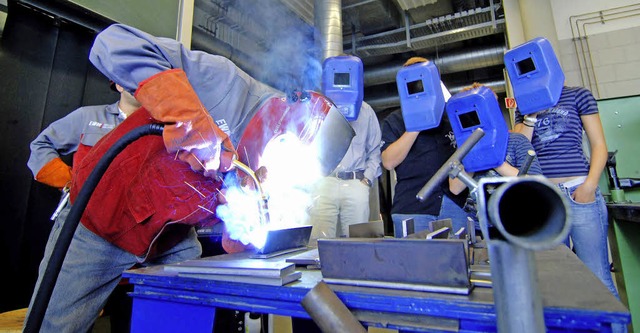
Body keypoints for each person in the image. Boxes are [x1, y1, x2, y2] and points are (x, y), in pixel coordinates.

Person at [24, 23, 330, 332]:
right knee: (54, 327)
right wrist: (190, 119)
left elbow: (232, 229)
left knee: (185, 319)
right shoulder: (223, 81)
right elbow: (112, 42)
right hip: (99, 223)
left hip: (170, 237)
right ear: (290, 119)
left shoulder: (265, 158)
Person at [513, 85, 619, 299]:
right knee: (556, 278)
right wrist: (531, 114)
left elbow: (599, 145)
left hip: (578, 192)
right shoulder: (524, 104)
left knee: (597, 274)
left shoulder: (578, 95)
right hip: (545, 200)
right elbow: (519, 149)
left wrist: (589, 185)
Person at [380, 57, 467, 238]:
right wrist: (417, 123)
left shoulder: (451, 116)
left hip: (455, 203)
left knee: (457, 262)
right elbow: (388, 162)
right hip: (412, 206)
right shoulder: (395, 120)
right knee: (412, 264)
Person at [448, 83, 543, 234]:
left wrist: (496, 161)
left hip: (516, 223)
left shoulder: (516, 140)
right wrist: (473, 159)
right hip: (479, 226)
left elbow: (536, 183)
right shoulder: (464, 148)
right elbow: (455, 188)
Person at [27, 82, 139, 191]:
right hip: (85, 208)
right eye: (138, 80)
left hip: (135, 208)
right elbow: (41, 145)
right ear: (119, 85)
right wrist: (70, 183)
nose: (145, 86)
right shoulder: (88, 116)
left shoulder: (155, 125)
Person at [308, 100, 382, 242]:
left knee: (358, 241)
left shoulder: (366, 110)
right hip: (324, 181)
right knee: (319, 241)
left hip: (355, 182)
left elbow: (375, 150)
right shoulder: (320, 105)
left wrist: (367, 180)